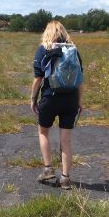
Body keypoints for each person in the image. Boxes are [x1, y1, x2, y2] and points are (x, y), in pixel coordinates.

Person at [30, 20, 83, 190]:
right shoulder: (73, 50)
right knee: (66, 139)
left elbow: (38, 78)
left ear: (47, 32)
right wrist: (79, 102)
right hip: (71, 99)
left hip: (50, 97)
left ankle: (48, 169)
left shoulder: (43, 49)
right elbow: (80, 80)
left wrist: (33, 99)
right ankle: (65, 178)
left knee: (43, 131)